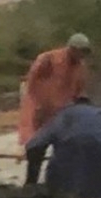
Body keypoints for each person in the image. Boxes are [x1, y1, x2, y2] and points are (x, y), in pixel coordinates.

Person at [18, 33, 91, 183]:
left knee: (65, 151)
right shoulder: (48, 60)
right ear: (71, 48)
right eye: (80, 51)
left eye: (84, 52)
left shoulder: (81, 67)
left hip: (62, 114)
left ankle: (57, 185)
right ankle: (31, 185)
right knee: (36, 149)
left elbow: (80, 91)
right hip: (40, 110)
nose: (81, 55)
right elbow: (30, 83)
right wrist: (37, 106)